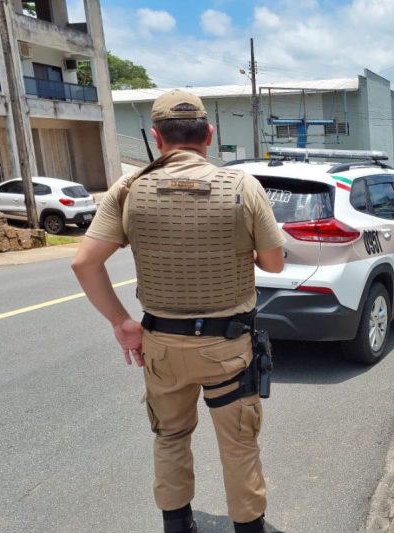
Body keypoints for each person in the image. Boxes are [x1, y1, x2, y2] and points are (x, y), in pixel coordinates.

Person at [72, 89, 285, 533]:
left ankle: (178, 524)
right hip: (228, 346)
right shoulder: (243, 186)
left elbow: (84, 263)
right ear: (209, 135)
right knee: (239, 444)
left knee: (169, 437)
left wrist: (121, 323)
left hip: (162, 346)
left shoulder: (128, 188)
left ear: (156, 138)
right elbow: (274, 263)